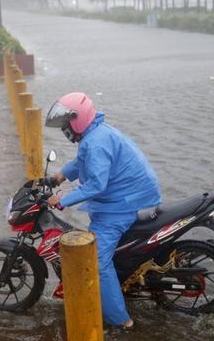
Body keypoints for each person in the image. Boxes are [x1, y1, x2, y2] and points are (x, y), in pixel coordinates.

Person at [45, 92, 161, 330]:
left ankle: (122, 321)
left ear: (78, 120)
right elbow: (81, 162)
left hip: (125, 205)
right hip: (128, 197)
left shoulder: (96, 141)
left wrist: (62, 200)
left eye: (67, 124)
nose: (65, 129)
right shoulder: (95, 134)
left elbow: (97, 184)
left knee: (96, 259)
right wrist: (59, 176)